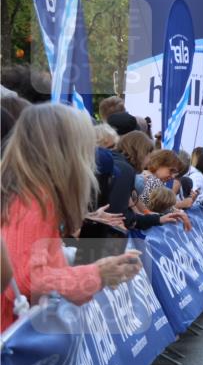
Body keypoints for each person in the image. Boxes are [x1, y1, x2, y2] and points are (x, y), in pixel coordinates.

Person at [1, 103, 143, 330]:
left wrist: (96, 269)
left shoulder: (28, 191)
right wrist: (97, 273)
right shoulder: (33, 198)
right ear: (65, 150)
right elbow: (26, 279)